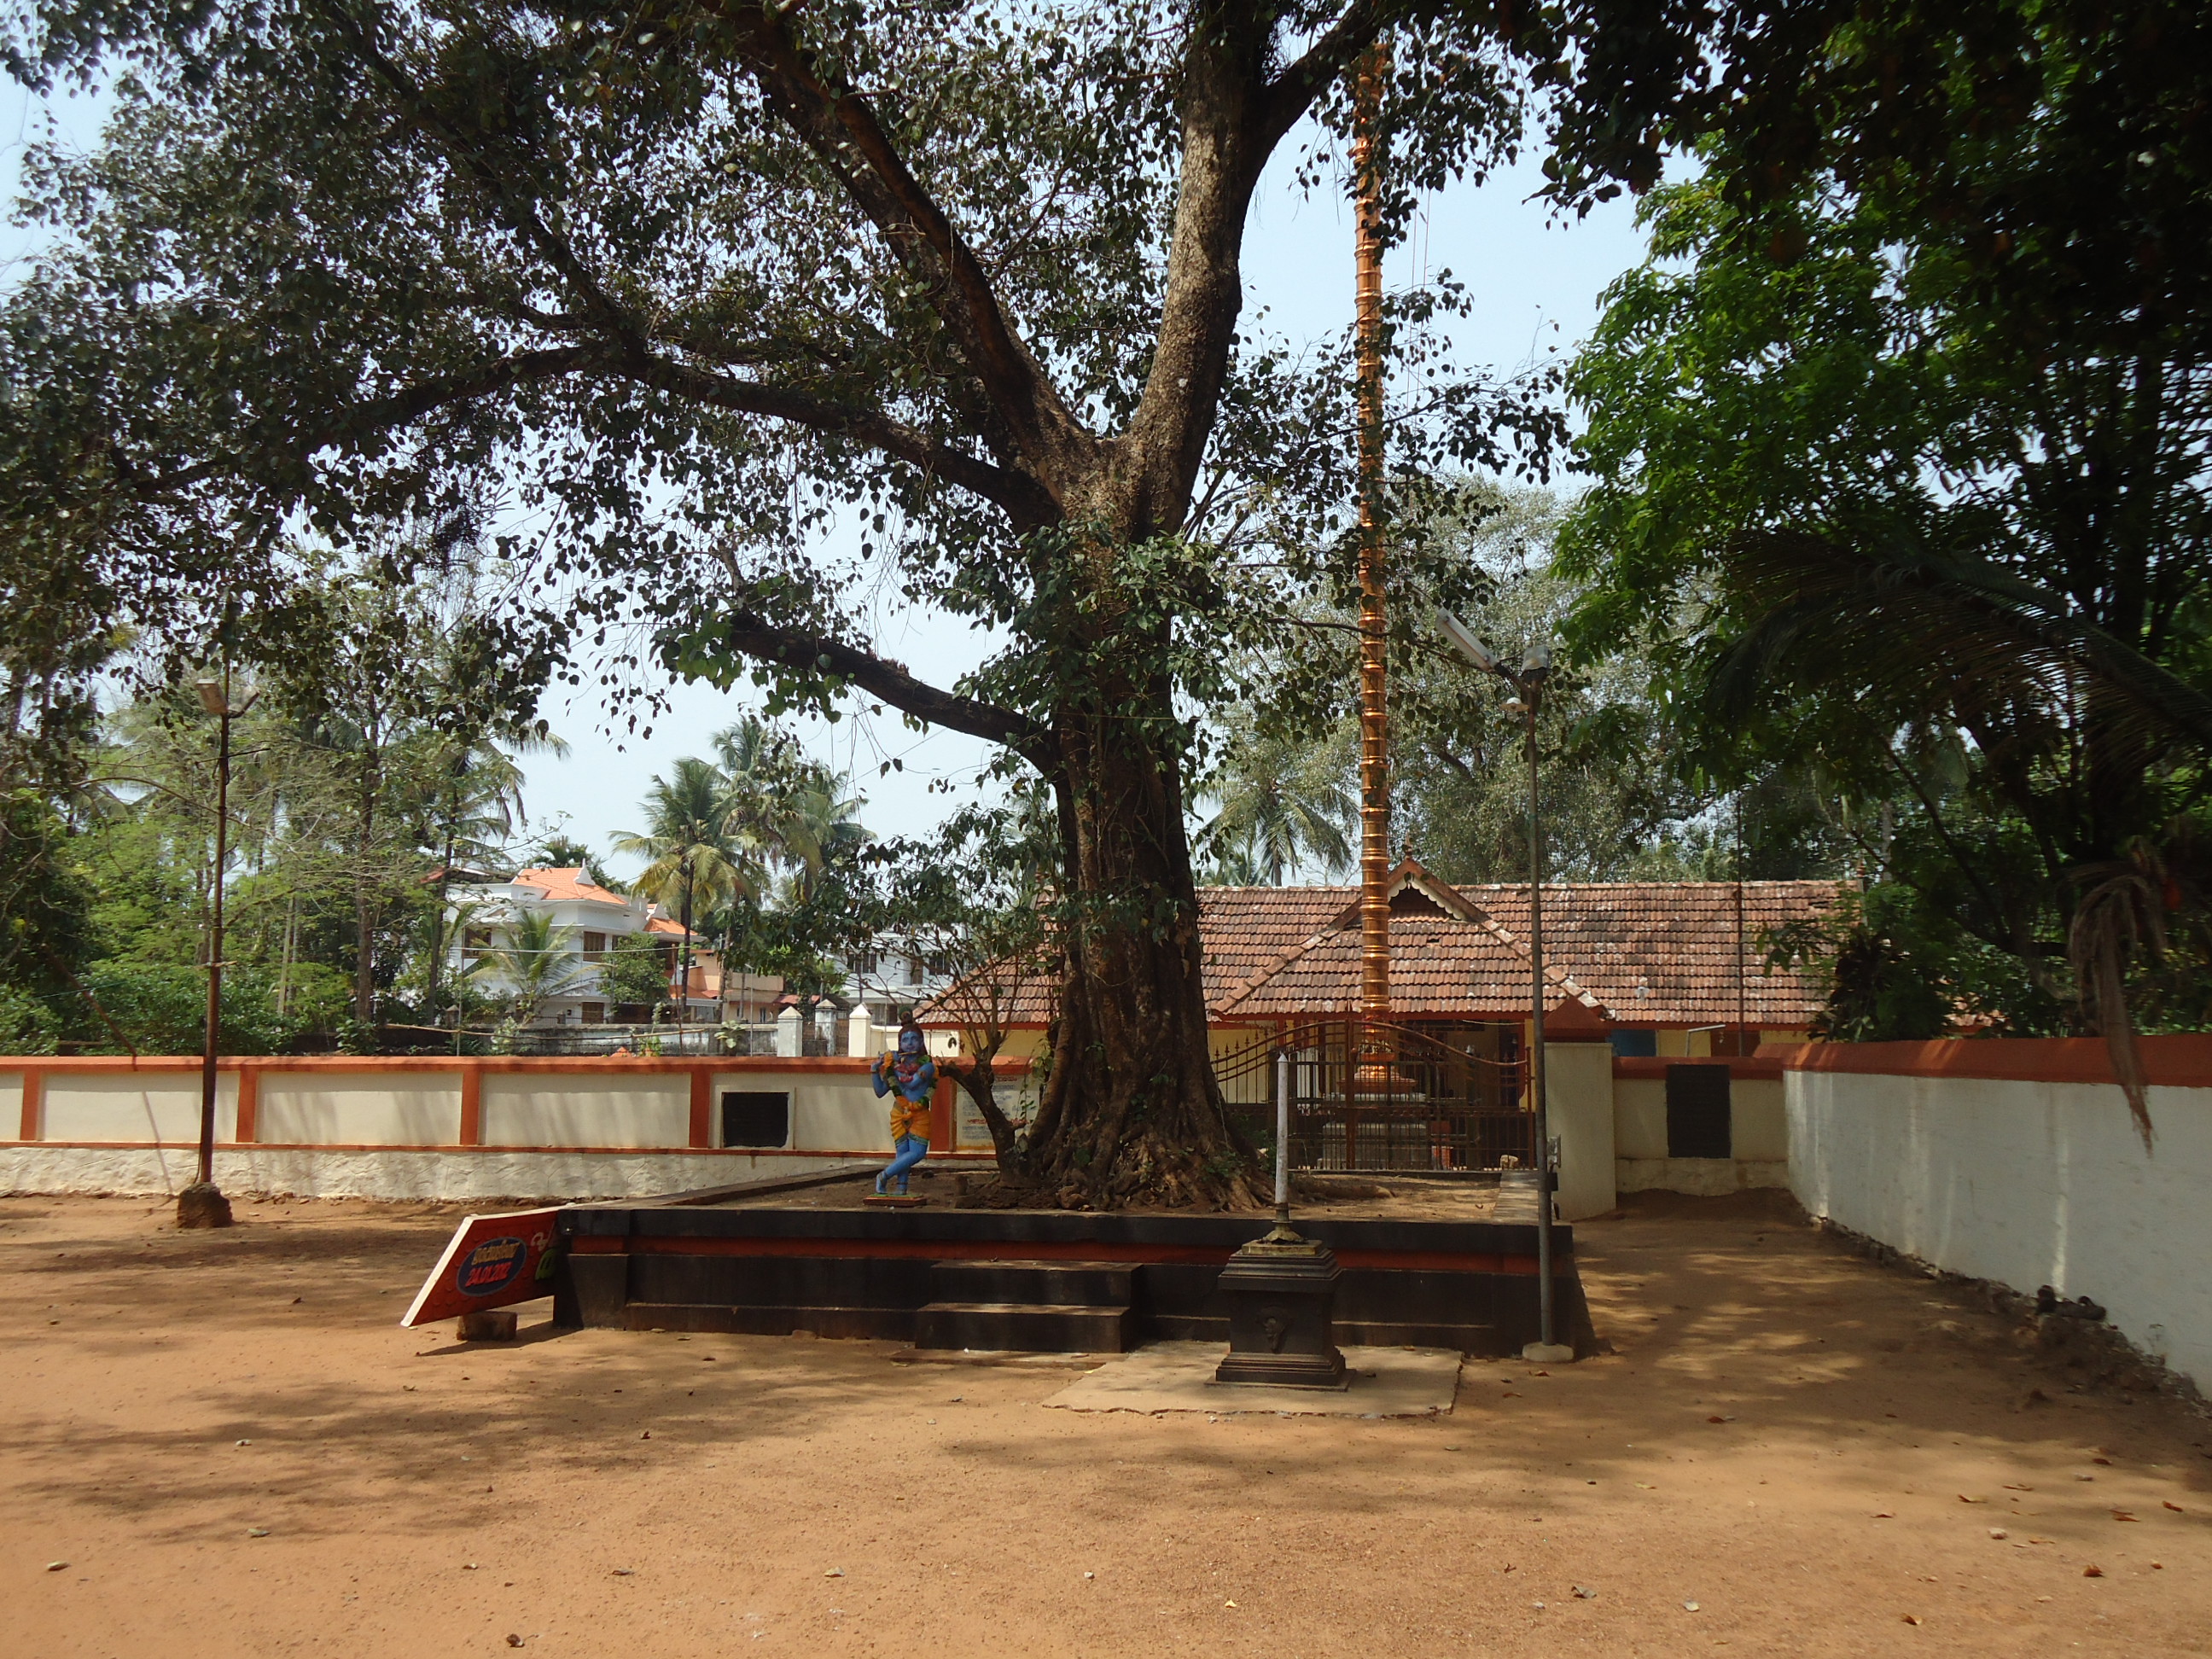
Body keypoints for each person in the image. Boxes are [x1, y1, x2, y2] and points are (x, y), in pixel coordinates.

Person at [870, 1022, 938, 1196]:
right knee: (902, 1153)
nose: (909, 1043)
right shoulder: (895, 1067)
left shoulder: (928, 1066)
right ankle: (901, 1188)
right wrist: (876, 1071)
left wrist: (892, 1068)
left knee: (918, 1153)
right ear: (900, 1045)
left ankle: (884, 1176)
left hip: (919, 1113)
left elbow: (914, 1083)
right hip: (899, 1113)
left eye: (914, 1039)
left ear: (921, 1042)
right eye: (905, 1040)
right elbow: (880, 1092)